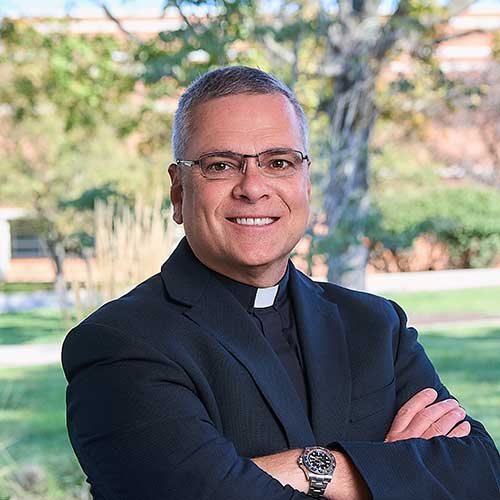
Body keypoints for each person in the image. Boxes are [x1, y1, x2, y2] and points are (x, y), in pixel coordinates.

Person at [62, 66, 500, 500]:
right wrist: (384, 471)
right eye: (221, 165)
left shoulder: (374, 325)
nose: (253, 188)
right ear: (179, 192)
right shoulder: (118, 344)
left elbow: (480, 473)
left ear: (305, 182)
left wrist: (304, 469)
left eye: (278, 162)